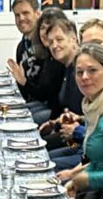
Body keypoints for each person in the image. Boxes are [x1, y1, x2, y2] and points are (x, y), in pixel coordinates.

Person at [54, 42, 103, 199]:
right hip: (99, 191)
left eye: (92, 70)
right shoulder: (91, 107)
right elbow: (99, 162)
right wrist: (74, 177)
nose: (84, 77)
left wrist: (90, 179)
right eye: (79, 72)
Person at [5, 0, 62, 124]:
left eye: (26, 13)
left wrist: (24, 83)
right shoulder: (21, 47)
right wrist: (22, 83)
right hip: (36, 101)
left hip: (50, 106)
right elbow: (26, 92)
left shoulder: (49, 46)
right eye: (17, 15)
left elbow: (47, 93)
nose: (21, 18)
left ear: (37, 14)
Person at [34, 9, 84, 148]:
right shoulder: (66, 68)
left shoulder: (80, 70)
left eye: (59, 40)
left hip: (78, 141)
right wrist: (54, 123)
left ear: (73, 39)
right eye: (51, 42)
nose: (54, 46)